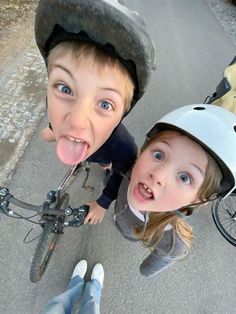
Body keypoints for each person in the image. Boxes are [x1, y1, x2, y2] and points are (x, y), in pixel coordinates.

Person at [34, 0, 156, 224]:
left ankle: (103, 163)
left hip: (107, 153)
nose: (77, 120)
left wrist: (102, 202)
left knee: (108, 163)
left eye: (105, 104)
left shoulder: (125, 147)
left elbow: (121, 176)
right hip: (94, 146)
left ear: (121, 114)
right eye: (65, 88)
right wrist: (54, 128)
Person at [113, 104, 236, 277]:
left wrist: (145, 270)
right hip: (121, 220)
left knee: (130, 234)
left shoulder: (174, 243)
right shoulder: (130, 174)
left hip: (132, 232)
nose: (158, 175)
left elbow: (158, 261)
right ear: (143, 150)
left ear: (196, 201)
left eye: (185, 177)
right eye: (158, 155)